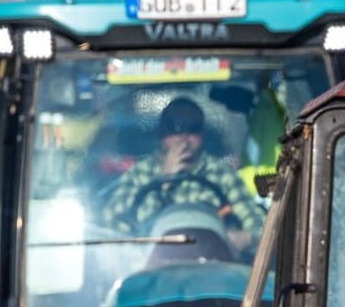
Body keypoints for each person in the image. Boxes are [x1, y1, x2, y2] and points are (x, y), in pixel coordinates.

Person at [98, 97, 266, 248]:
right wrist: (164, 180)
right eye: (176, 127)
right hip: (152, 270)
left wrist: (246, 237)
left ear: (202, 134)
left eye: (193, 128)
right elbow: (113, 225)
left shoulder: (222, 174)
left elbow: (257, 224)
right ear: (162, 131)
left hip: (210, 269)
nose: (184, 136)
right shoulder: (139, 174)